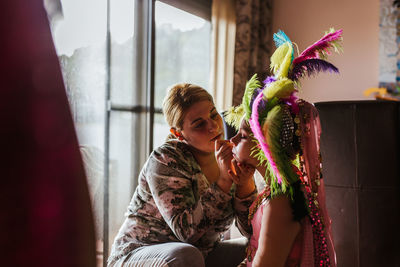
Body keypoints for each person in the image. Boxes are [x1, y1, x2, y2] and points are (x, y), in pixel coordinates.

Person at [225, 29, 342, 266]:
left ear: (266, 142)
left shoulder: (281, 202)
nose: (233, 140)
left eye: (244, 135)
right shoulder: (278, 190)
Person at [108, 83, 257, 267]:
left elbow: (252, 231)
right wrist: (224, 181)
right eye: (199, 124)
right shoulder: (166, 159)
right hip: (139, 253)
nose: (213, 126)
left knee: (258, 246)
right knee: (186, 255)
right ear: (178, 133)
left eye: (213, 114)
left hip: (201, 254)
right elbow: (188, 234)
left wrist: (245, 185)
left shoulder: (230, 156)